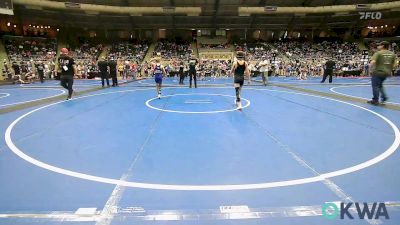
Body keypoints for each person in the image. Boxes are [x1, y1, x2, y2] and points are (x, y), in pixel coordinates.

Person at [368, 41, 397, 105]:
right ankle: (384, 97)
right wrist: (389, 70)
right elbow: (395, 65)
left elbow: (373, 62)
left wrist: (370, 70)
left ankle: (375, 100)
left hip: (378, 72)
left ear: (383, 46)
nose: (378, 46)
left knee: (375, 86)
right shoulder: (392, 54)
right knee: (380, 85)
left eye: (379, 45)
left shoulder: (378, 53)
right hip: (386, 73)